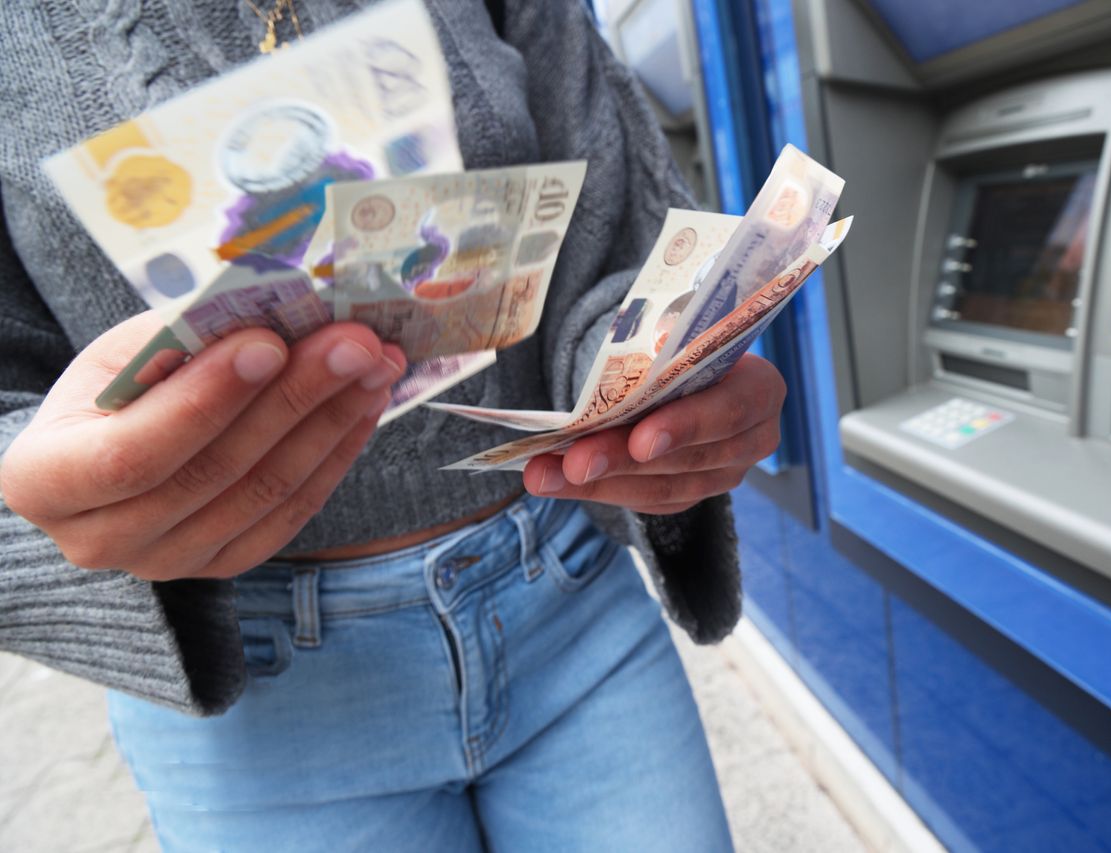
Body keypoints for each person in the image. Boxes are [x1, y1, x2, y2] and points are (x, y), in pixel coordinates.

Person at [0, 0, 785, 849]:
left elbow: (604, 226)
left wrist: (641, 379)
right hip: (267, 716)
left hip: (568, 596)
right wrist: (55, 514)